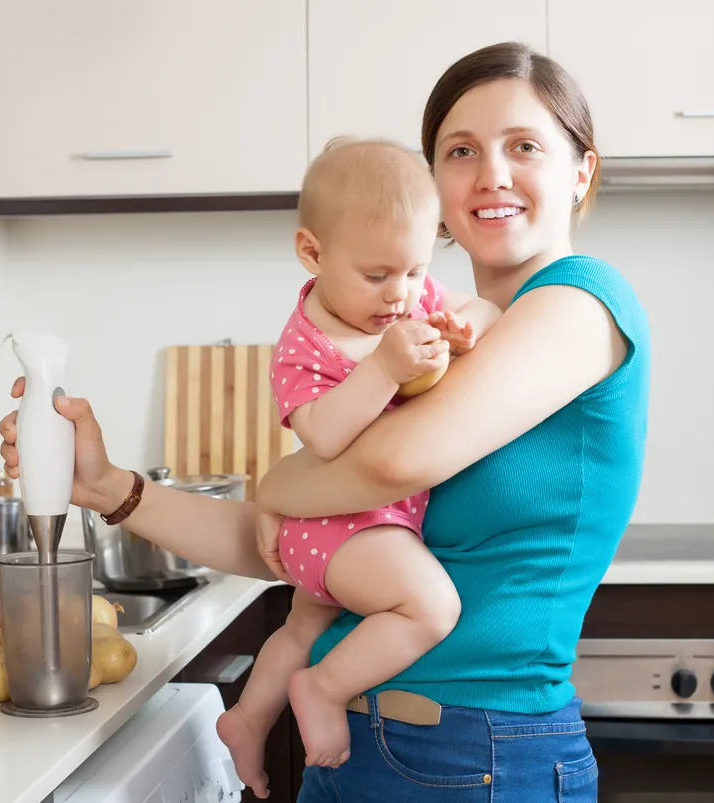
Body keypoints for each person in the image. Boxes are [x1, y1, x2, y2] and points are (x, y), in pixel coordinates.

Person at [0, 41, 649, 803]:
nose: (491, 174)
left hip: (478, 753)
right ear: (433, 182)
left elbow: (387, 467)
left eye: (525, 147)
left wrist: (280, 481)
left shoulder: (582, 303)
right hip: (351, 743)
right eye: (461, 150)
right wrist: (111, 488)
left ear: (582, 171)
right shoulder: (420, 344)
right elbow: (294, 545)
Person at [211, 137, 501, 795]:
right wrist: (383, 368)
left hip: (358, 524)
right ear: (312, 253)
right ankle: (324, 687)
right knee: (429, 606)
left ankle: (249, 719)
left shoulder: (409, 292)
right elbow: (322, 434)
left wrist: (465, 328)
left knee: (301, 626)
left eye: (414, 269)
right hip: (340, 526)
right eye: (377, 276)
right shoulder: (304, 344)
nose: (401, 295)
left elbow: (482, 307)